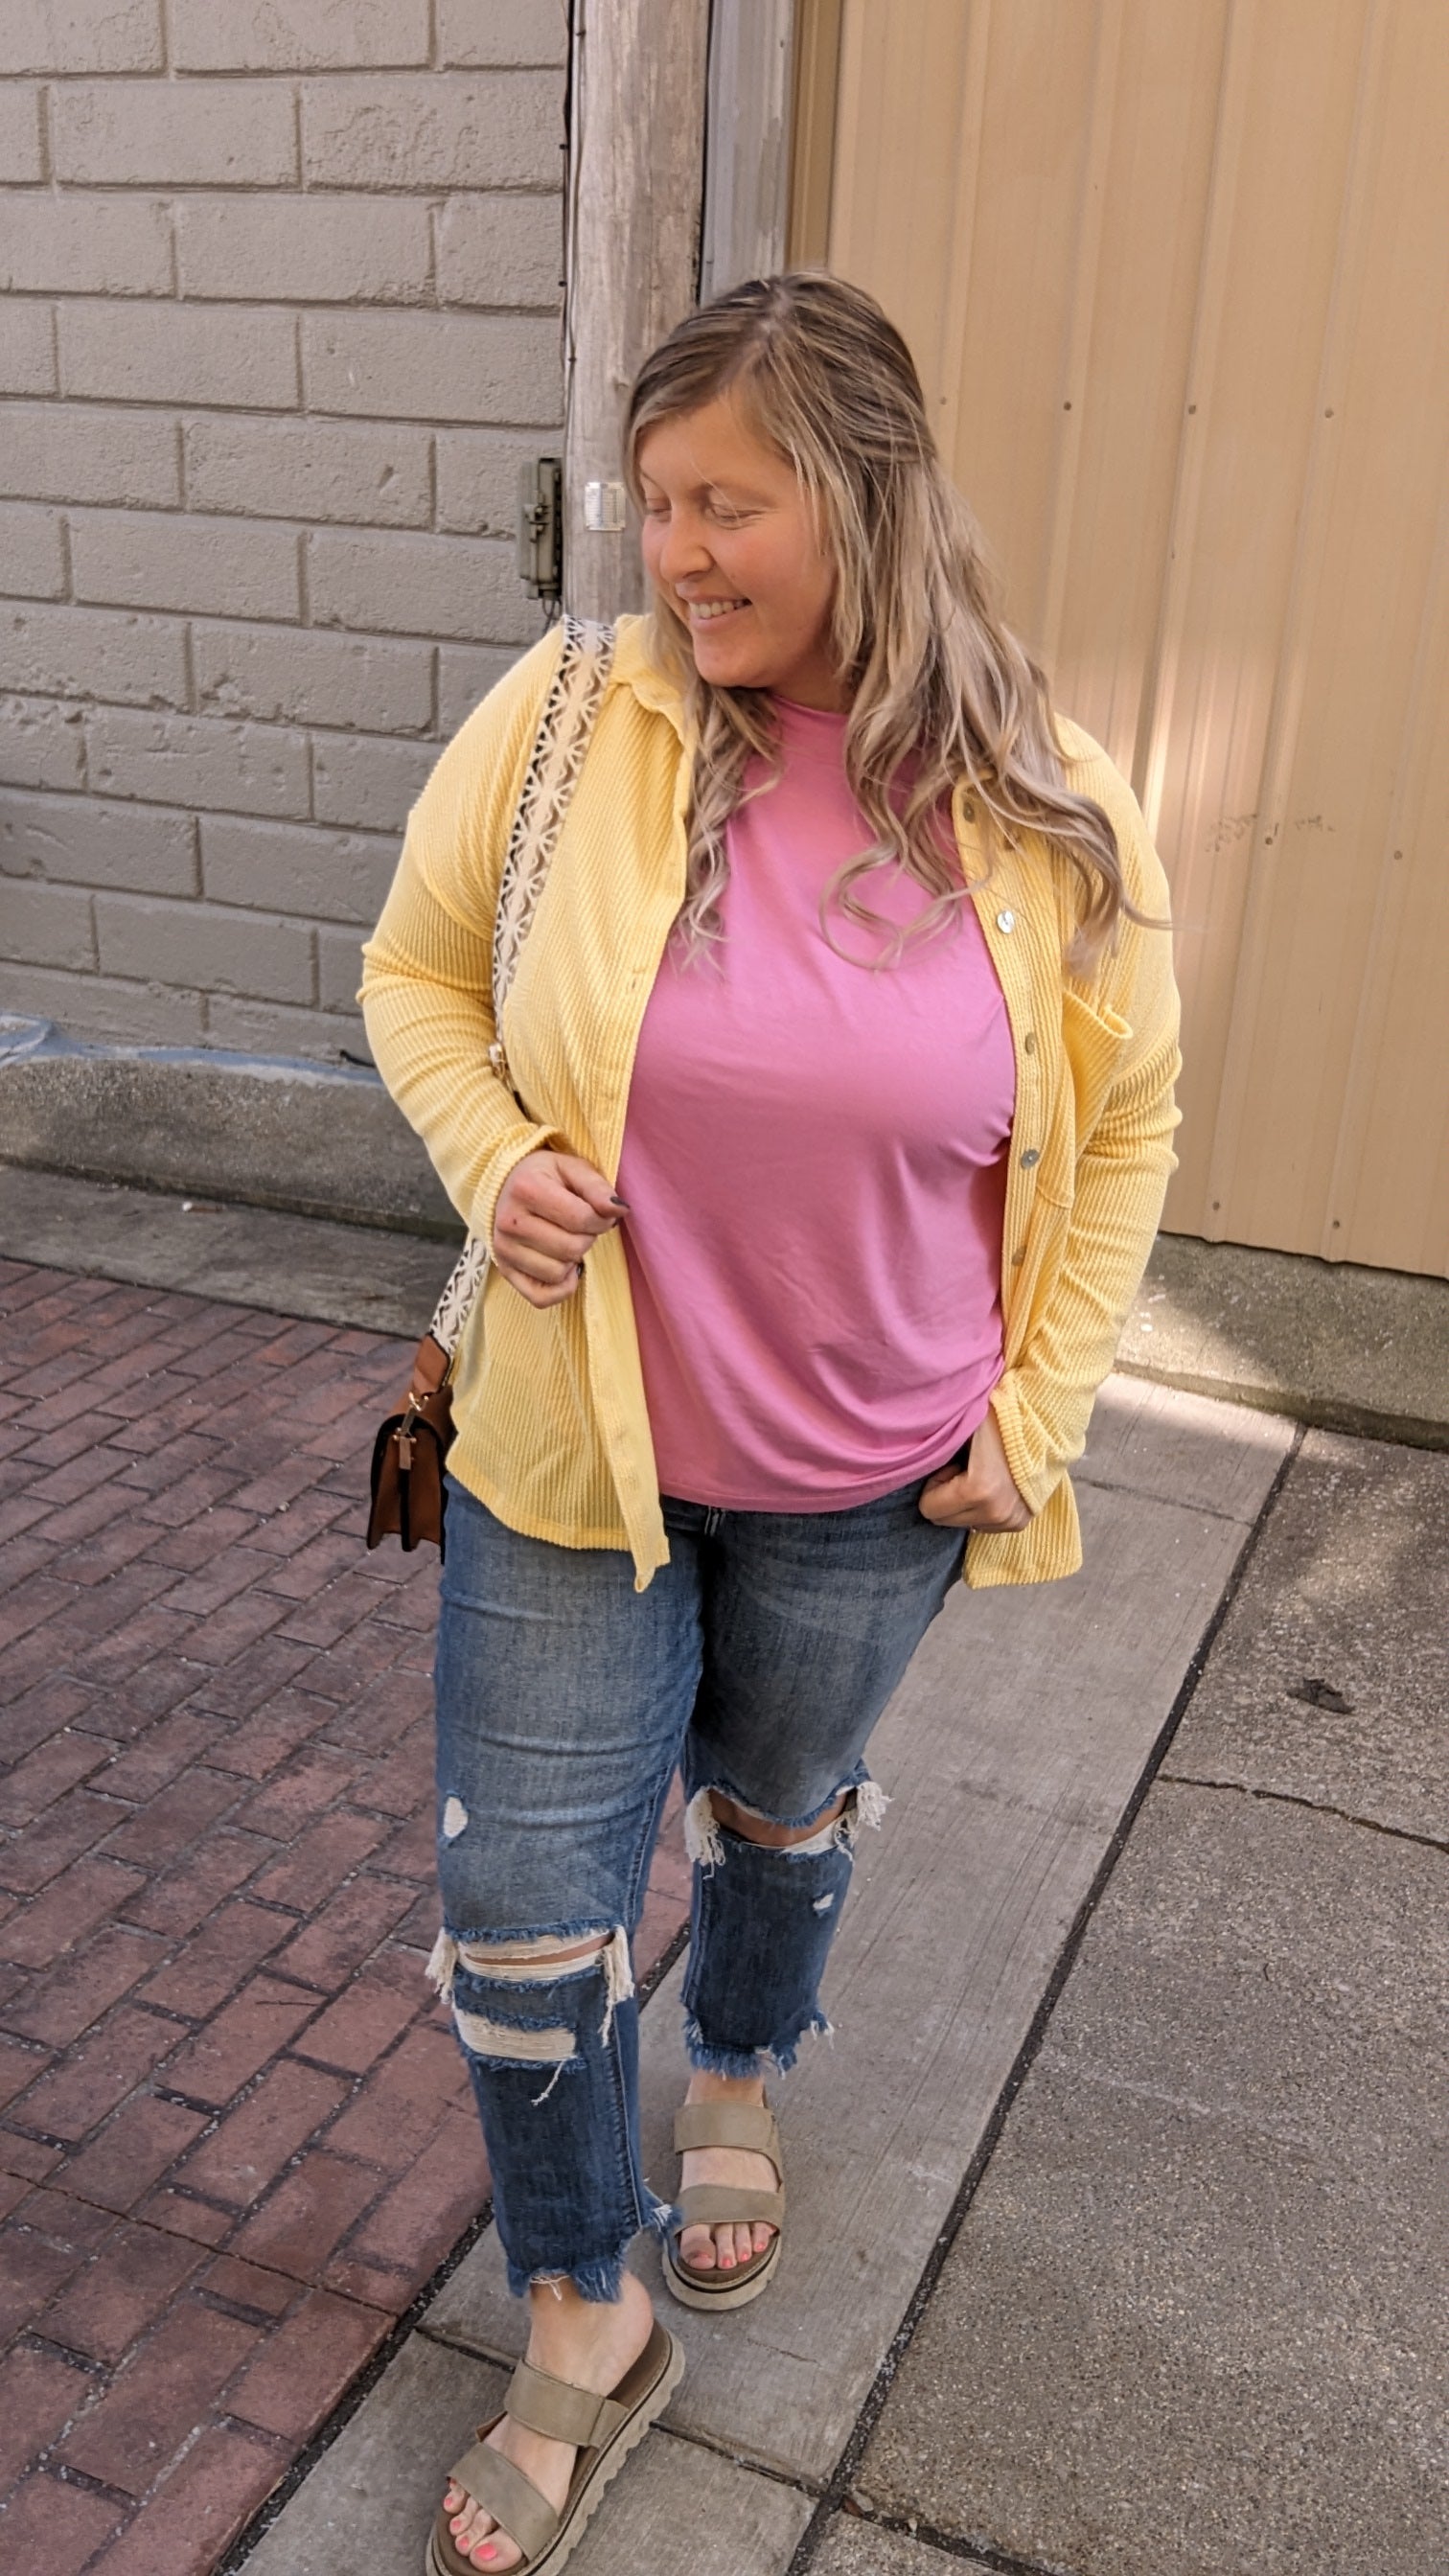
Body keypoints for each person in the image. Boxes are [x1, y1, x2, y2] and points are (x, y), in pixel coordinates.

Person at [361, 271, 1180, 2576]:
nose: (677, 551)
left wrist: (1045, 1404)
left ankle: (732, 2067)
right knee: (523, 1915)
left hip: (874, 1482)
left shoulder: (1042, 796)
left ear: (866, 494)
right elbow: (415, 974)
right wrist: (490, 1154)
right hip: (572, 1462)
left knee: (776, 1807)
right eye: (655, 503)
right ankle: (583, 2305)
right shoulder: (570, 716)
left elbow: (1129, 1125)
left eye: (728, 502)